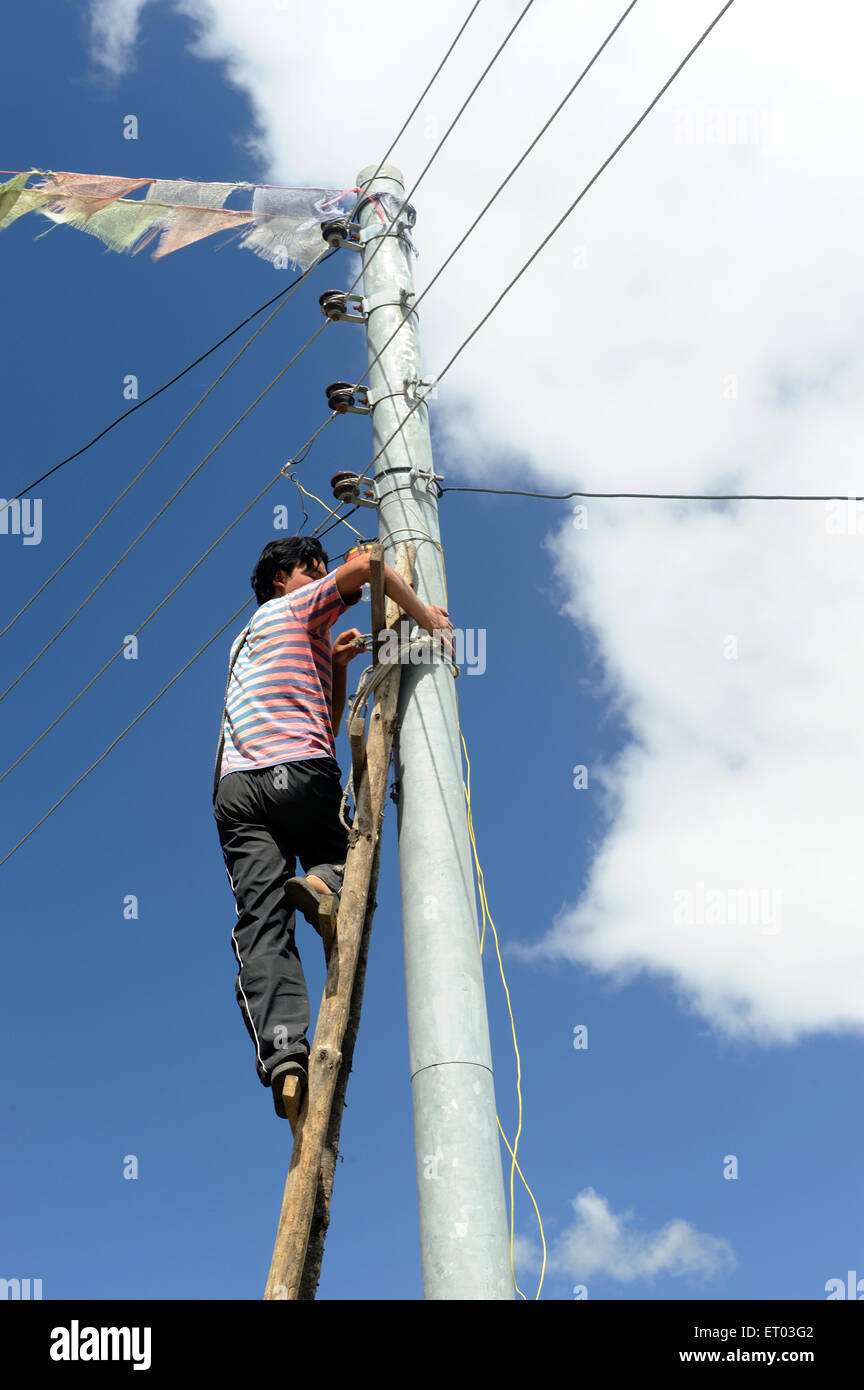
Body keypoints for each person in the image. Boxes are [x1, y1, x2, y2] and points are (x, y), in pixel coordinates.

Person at [213, 535, 452, 1124]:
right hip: (296, 770)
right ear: (279, 581)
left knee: (259, 922)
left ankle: (284, 1054)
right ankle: (324, 881)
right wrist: (429, 618)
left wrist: (338, 664)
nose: (321, 578)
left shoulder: (250, 641)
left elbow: (323, 714)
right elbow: (369, 568)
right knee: (346, 853)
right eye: (309, 570)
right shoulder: (296, 607)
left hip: (237, 791)